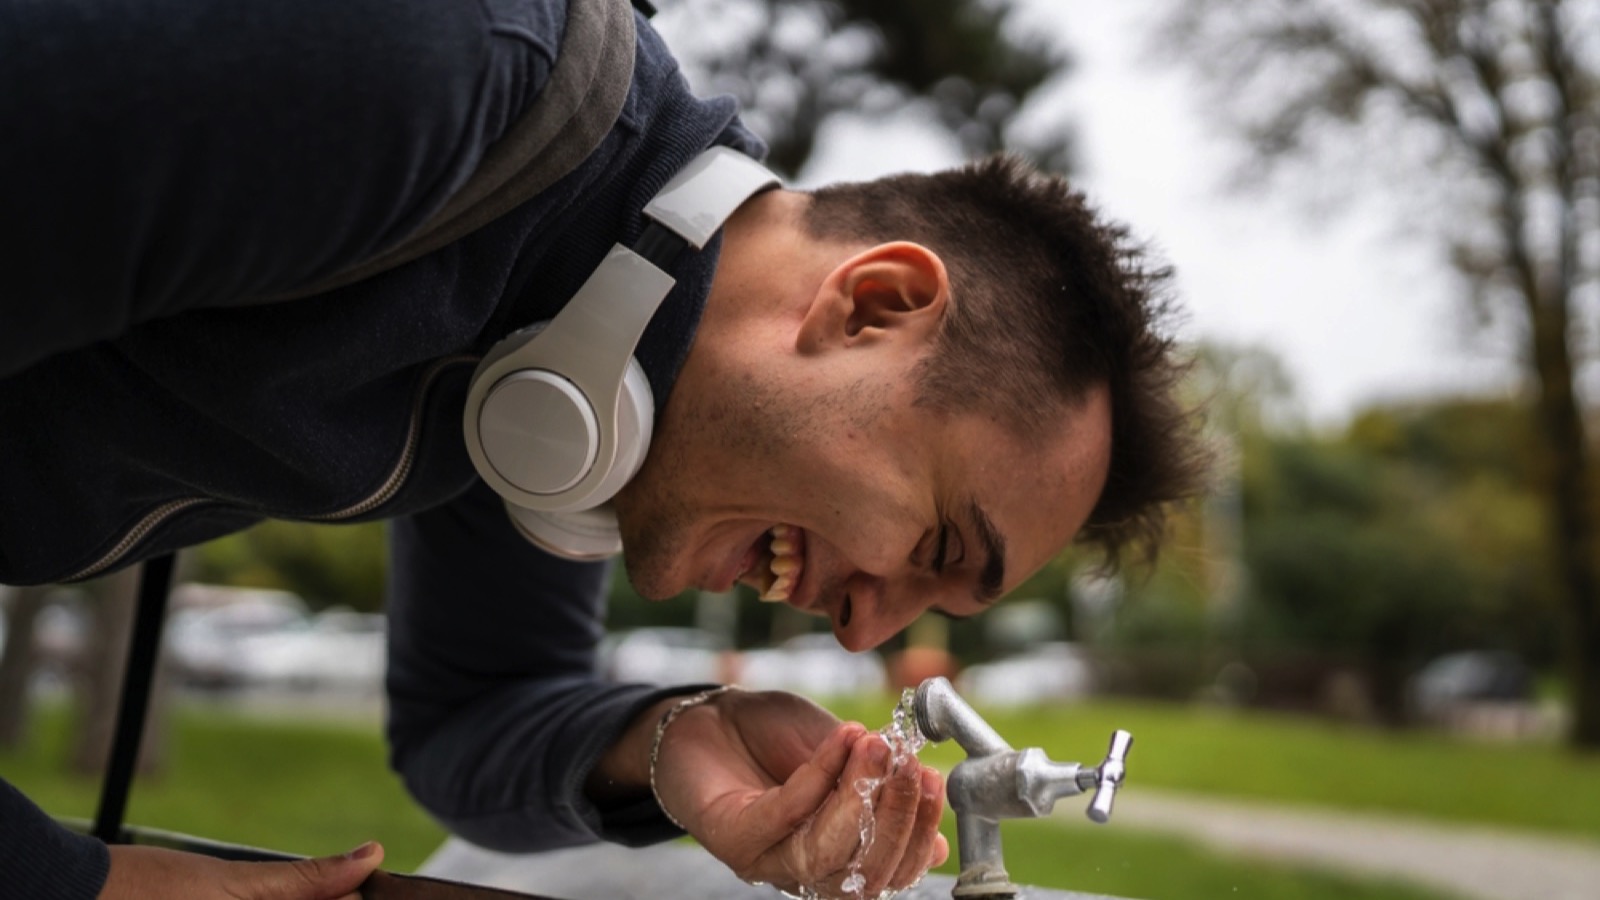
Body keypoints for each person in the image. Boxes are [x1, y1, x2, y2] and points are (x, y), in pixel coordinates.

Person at [0, 0, 1211, 897]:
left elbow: (475, 716)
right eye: (936, 542)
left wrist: (678, 743)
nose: (862, 633)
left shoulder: (586, 378)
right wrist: (73, 881)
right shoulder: (422, 65)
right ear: (874, 305)